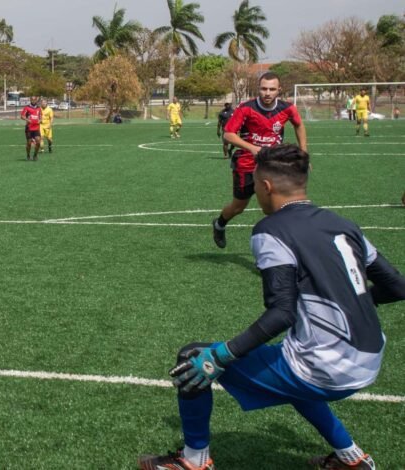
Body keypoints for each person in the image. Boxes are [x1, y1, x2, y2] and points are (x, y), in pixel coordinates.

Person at [138, 144, 405, 470]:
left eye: (254, 184)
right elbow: (397, 287)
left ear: (265, 187)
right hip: (369, 359)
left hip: (328, 368)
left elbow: (282, 313)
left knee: (193, 358)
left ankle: (194, 461)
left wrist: (221, 355)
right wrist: (354, 301)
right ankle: (352, 459)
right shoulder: (343, 224)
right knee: (291, 358)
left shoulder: (270, 230)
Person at [212, 72, 307, 249]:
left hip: (273, 164)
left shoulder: (287, 108)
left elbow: (299, 125)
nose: (267, 93)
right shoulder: (246, 108)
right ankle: (219, 224)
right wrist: (253, 148)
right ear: (259, 89)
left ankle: (276, 248)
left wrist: (303, 152)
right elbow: (228, 134)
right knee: (238, 206)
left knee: (274, 207)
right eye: (264, 89)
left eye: (272, 89)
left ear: (279, 90)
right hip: (247, 163)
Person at [20, 96, 42, 160]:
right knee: (29, 143)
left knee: (38, 142)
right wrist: (27, 120)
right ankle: (28, 155)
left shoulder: (38, 108)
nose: (33, 100)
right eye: (32, 99)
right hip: (29, 128)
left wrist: (40, 120)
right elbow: (22, 116)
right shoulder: (27, 108)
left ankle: (35, 155)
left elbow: (40, 117)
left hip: (36, 128)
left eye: (35, 99)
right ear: (30, 100)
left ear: (36, 100)